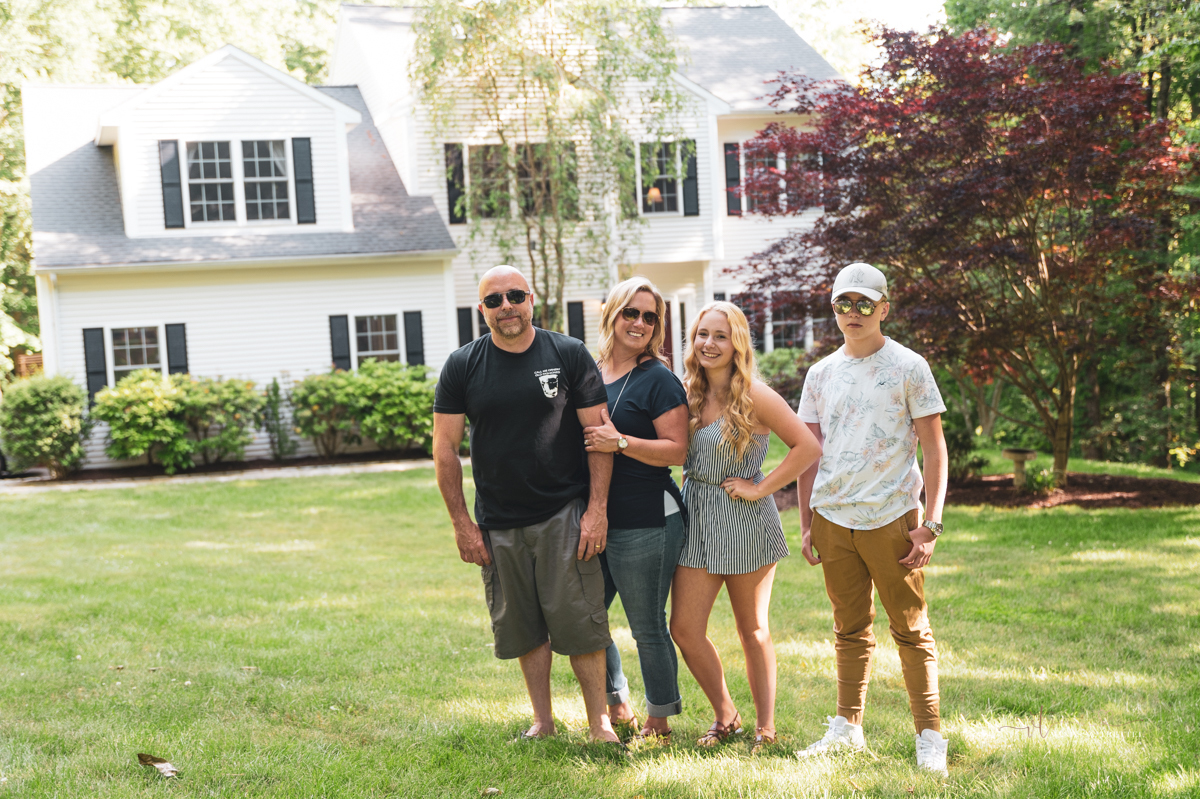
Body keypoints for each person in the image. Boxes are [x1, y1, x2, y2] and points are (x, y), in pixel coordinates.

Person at [432, 265, 620, 744]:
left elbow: (597, 436)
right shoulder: (462, 366)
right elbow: (445, 449)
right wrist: (462, 524)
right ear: (482, 311)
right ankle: (544, 722)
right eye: (494, 300)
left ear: (531, 298)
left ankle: (600, 725)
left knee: (581, 623)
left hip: (564, 513)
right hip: (498, 522)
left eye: (514, 295)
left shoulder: (567, 353)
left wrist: (596, 509)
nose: (506, 306)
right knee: (523, 626)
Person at [795, 262, 950, 775]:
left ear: (884, 308)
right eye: (844, 303)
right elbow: (808, 453)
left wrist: (931, 522)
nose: (853, 313)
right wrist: (806, 522)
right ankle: (847, 729)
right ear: (833, 308)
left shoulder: (909, 366)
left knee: (910, 628)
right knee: (849, 629)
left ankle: (930, 735)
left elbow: (934, 449)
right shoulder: (820, 374)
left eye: (865, 304)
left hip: (891, 519)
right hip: (833, 519)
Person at [670, 301, 822, 754]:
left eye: (719, 335)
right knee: (685, 629)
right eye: (702, 335)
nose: (709, 344)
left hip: (745, 521)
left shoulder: (756, 394)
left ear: (736, 343)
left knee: (752, 629)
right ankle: (726, 715)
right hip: (696, 518)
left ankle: (766, 728)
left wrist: (762, 489)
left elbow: (807, 446)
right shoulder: (686, 392)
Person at [580, 277, 688, 743]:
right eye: (632, 312)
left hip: (649, 517)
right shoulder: (589, 371)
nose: (640, 323)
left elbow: (678, 450)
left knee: (646, 625)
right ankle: (617, 702)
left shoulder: (659, 379)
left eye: (650, 317)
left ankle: (659, 721)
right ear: (612, 314)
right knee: (586, 616)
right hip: (594, 517)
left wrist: (620, 442)